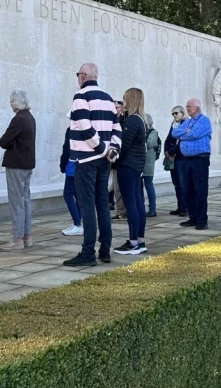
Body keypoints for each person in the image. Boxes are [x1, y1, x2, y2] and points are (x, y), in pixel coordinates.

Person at [63, 62, 122, 268]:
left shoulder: (80, 97)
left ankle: (88, 252)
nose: (78, 78)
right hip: (103, 160)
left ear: (83, 76)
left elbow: (85, 127)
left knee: (87, 205)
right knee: (101, 204)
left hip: (87, 159)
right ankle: (104, 250)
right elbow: (117, 128)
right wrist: (111, 150)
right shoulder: (108, 98)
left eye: (78, 74)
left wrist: (102, 149)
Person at [0, 89, 36, 251]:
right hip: (27, 164)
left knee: (16, 202)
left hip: (16, 165)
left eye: (12, 101)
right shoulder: (30, 117)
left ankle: (17, 239)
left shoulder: (19, 119)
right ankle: (27, 236)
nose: (10, 103)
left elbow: (3, 141)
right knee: (25, 200)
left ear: (18, 102)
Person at [114, 88, 148, 255]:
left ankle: (133, 242)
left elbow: (123, 145)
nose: (122, 103)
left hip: (128, 166)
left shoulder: (133, 120)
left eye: (124, 99)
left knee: (131, 204)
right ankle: (139, 240)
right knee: (137, 203)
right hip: (136, 166)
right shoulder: (139, 119)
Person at [172, 98, 213, 230]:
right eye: (186, 106)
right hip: (187, 160)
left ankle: (202, 220)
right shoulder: (188, 122)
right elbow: (174, 133)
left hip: (200, 160)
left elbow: (195, 135)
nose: (187, 108)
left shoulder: (204, 121)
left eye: (189, 106)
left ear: (197, 108)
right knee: (187, 189)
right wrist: (186, 133)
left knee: (200, 190)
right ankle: (193, 217)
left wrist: (184, 134)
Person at [59, 125, 83, 236]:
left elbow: (66, 148)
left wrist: (62, 164)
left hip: (72, 165)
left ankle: (77, 223)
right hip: (81, 166)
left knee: (68, 195)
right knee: (77, 195)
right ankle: (78, 222)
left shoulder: (72, 129)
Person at [164, 105, 188, 216]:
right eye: (172, 113)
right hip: (172, 157)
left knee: (182, 183)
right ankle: (180, 206)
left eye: (176, 113)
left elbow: (182, 141)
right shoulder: (174, 124)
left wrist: (171, 151)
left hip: (181, 157)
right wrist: (166, 151)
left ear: (183, 113)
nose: (174, 115)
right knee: (177, 183)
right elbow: (168, 139)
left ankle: (185, 207)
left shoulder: (186, 124)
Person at [143, 114, 161, 217]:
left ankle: (152, 208)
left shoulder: (153, 132)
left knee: (149, 185)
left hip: (148, 163)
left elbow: (149, 143)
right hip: (141, 163)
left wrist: (141, 136)